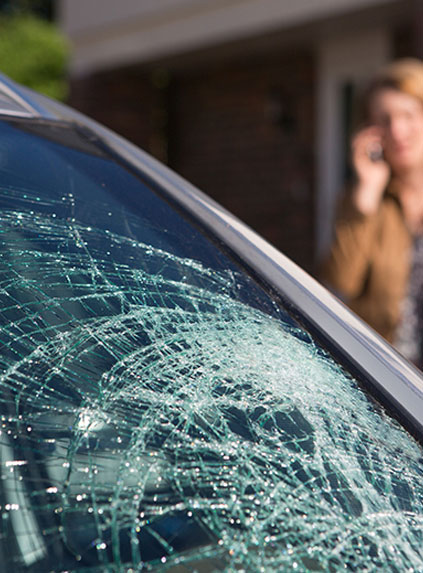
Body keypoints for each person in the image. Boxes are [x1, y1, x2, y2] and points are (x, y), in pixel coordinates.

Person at [320, 58, 423, 365]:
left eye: (408, 114)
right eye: (384, 119)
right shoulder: (361, 203)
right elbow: (337, 289)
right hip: (391, 386)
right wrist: (365, 199)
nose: (397, 130)